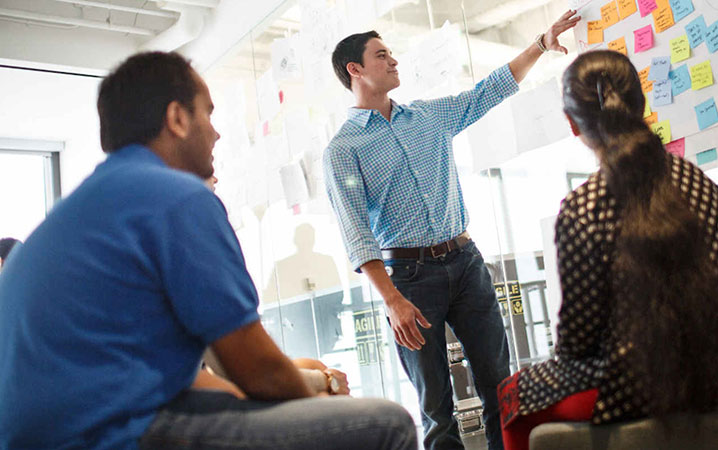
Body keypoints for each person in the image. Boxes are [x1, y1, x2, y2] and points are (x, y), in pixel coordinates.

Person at [0, 51, 416, 450]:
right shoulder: (175, 195)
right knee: (384, 423)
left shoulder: (85, 209)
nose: (216, 133)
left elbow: (199, 377)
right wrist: (327, 403)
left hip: (46, 435)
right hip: (110, 436)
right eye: (208, 113)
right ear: (177, 119)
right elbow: (254, 370)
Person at [323, 11, 580, 450]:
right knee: (436, 409)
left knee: (501, 386)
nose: (394, 61)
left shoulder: (427, 116)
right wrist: (392, 301)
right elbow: (356, 232)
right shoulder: (342, 150)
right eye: (382, 55)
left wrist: (540, 43)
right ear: (355, 69)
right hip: (408, 281)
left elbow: (488, 92)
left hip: (465, 264)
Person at [496, 50, 718, 450]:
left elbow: (577, 343)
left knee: (511, 395)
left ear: (571, 124)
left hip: (637, 385)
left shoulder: (583, 209)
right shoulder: (701, 184)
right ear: (641, 103)